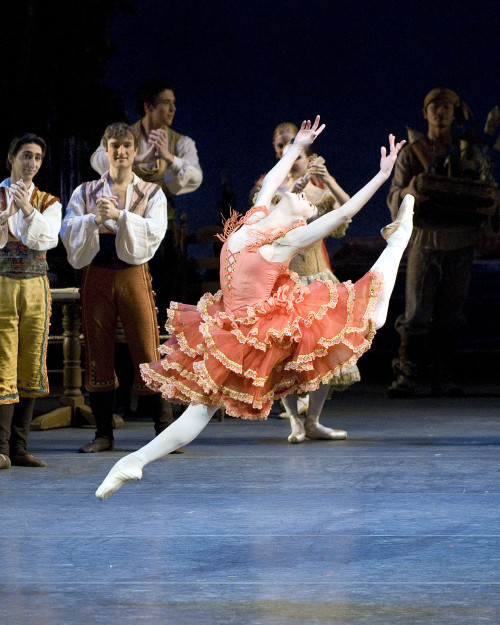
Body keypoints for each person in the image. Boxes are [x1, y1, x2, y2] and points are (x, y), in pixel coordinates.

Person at [95, 116, 413, 501]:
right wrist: (297, 145)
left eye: (307, 202)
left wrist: (380, 177)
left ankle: (400, 237)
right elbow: (278, 179)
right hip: (246, 333)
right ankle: (133, 462)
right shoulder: (265, 221)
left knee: (369, 313)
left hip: (249, 330)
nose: (303, 195)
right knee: (199, 412)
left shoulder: (271, 231)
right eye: (301, 197)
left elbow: (342, 214)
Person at [60, 122, 171, 453]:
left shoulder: (151, 193)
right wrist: (94, 219)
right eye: (114, 146)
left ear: (135, 151)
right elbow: (67, 229)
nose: (121, 151)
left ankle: (164, 432)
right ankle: (104, 434)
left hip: (132, 273)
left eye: (126, 145)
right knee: (98, 352)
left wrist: (122, 215)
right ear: (104, 149)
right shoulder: (85, 192)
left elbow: (156, 231)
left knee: (147, 350)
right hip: (97, 274)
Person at [386, 88, 496, 398]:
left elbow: (487, 189)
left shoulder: (469, 150)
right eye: (435, 105)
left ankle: (442, 375)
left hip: (460, 239)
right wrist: (410, 190)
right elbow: (394, 196)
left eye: (448, 106)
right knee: (417, 311)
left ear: (455, 112)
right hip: (425, 238)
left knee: (451, 312)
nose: (442, 111)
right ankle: (407, 376)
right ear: (425, 112)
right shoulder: (413, 152)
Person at [90, 79, 203, 321]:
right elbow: (97, 160)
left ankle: (160, 340)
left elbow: (195, 178)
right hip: (126, 224)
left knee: (161, 287)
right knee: (127, 289)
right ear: (148, 106)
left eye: (174, 103)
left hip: (160, 227)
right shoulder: (124, 136)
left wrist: (168, 157)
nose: (172, 109)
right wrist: (137, 159)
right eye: (166, 103)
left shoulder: (179, 142)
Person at [273, 142, 359, 443]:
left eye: (297, 156)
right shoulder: (274, 192)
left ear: (308, 159)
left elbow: (347, 208)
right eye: (287, 157)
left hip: (319, 280)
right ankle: (295, 422)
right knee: (283, 356)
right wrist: (290, 189)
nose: (292, 162)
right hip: (287, 282)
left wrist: (329, 178)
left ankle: (313, 420)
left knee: (325, 352)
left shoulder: (319, 195)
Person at [0, 133, 62, 469]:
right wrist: (7, 212)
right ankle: (1, 448)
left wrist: (25, 208)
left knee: (29, 363)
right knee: (2, 362)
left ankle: (19, 447)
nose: (32, 163)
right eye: (26, 155)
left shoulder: (48, 201)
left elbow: (47, 240)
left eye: (37, 157)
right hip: (1, 285)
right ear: (11, 157)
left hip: (35, 286)